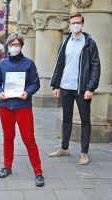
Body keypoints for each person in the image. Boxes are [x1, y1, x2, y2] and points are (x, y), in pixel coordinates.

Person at [0, 33, 45, 187]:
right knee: (8, 137)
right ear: (8, 46)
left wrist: (27, 92)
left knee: (29, 139)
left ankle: (38, 172)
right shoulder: (2, 64)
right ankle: (7, 166)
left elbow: (35, 83)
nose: (14, 47)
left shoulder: (29, 63)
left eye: (17, 44)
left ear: (21, 46)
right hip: (6, 106)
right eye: (11, 45)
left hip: (23, 106)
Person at [49, 12, 101, 165]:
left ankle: (84, 153)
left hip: (82, 88)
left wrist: (90, 88)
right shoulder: (66, 42)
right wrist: (56, 85)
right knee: (67, 118)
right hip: (65, 86)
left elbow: (95, 66)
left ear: (82, 24)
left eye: (78, 22)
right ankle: (64, 148)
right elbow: (59, 65)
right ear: (70, 24)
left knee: (85, 120)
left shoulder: (89, 43)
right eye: (73, 23)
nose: (76, 25)